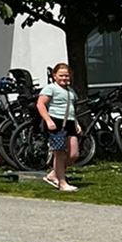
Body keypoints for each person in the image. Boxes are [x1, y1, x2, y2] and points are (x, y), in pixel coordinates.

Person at [39, 63, 81, 192]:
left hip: (69, 123)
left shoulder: (70, 91)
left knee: (74, 154)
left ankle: (54, 173)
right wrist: (48, 120)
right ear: (55, 76)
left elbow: (72, 108)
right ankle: (62, 183)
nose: (64, 78)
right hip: (56, 122)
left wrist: (76, 123)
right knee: (59, 154)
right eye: (61, 75)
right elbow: (40, 104)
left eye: (66, 76)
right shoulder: (50, 88)